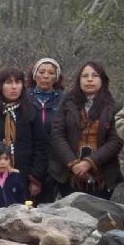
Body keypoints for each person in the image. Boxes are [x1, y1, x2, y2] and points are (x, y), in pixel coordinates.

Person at [0, 67, 48, 199]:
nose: (14, 87)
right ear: (0, 85)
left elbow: (40, 144)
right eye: (8, 82)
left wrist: (36, 178)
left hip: (23, 174)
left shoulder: (30, 108)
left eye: (18, 82)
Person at [50, 62, 122, 199]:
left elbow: (116, 140)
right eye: (85, 76)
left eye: (95, 75)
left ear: (103, 80)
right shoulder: (66, 103)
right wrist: (73, 163)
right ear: (79, 80)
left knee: (99, 217)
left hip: (103, 176)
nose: (89, 79)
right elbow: (57, 134)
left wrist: (89, 162)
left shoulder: (115, 107)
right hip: (69, 174)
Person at [28, 57, 64, 203]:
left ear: (56, 77)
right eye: (42, 72)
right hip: (30, 158)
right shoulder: (25, 97)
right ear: (35, 75)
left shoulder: (64, 100)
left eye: (51, 73)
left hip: (55, 159)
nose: (46, 76)